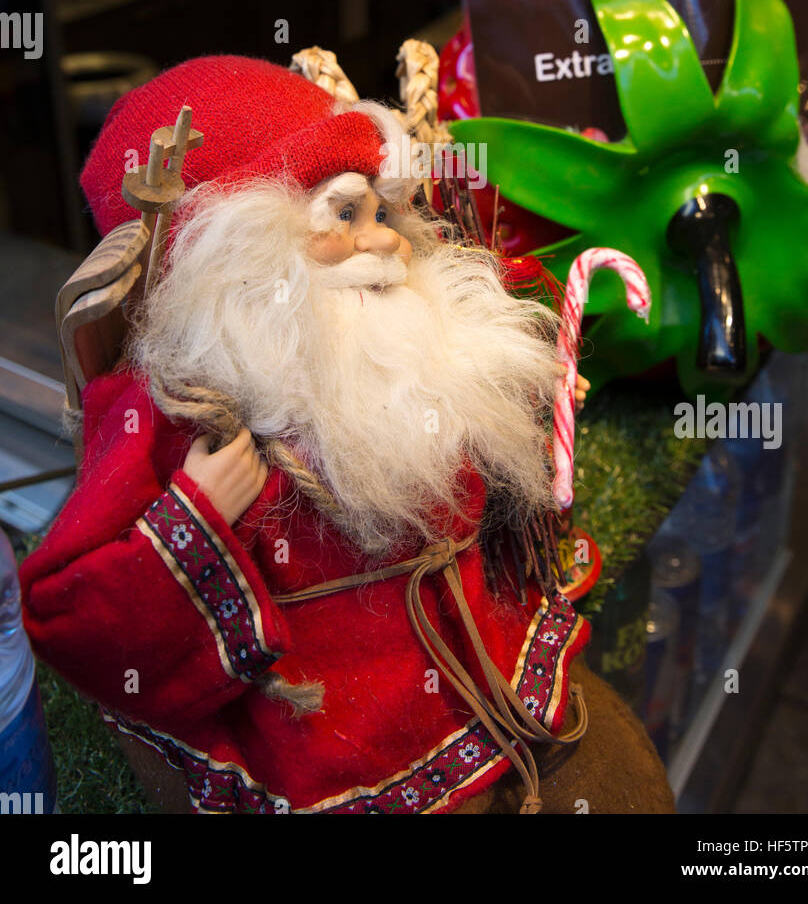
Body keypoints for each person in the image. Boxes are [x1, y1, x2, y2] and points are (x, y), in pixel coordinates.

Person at [21, 55, 673, 815]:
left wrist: (521, 396)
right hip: (330, 723)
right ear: (241, 248)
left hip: (469, 650)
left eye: (382, 214)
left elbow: (476, 459)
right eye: (343, 215)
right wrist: (193, 515)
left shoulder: (403, 330)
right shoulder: (173, 411)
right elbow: (70, 614)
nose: (382, 242)